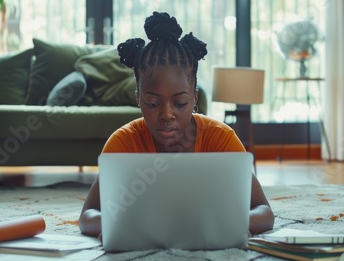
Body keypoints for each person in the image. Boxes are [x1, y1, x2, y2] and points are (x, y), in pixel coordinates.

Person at [80, 12, 274, 239]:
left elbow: (265, 213)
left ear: (194, 98)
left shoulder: (220, 138)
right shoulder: (124, 142)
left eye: (180, 103)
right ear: (138, 98)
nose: (166, 114)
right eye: (152, 103)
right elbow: (87, 218)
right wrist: (125, 223)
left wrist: (223, 220)